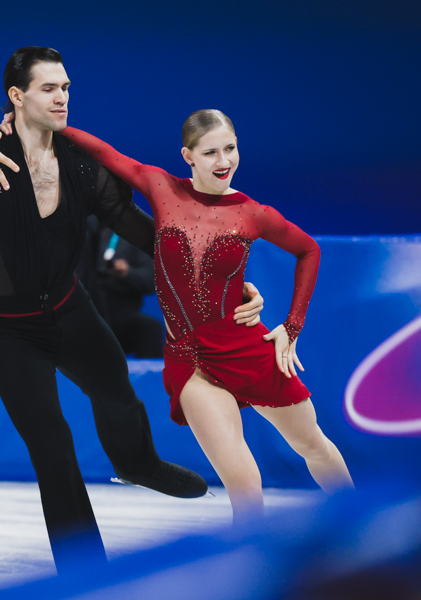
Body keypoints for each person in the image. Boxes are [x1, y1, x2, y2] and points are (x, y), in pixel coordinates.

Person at [0, 47, 264, 571]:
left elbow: (145, 233)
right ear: (17, 96)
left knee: (117, 392)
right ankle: (85, 574)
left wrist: (222, 279)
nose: (61, 98)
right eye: (48, 89)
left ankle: (139, 464)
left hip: (69, 310)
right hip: (9, 331)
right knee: (52, 447)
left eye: (65, 88)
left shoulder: (82, 167)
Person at [49, 109, 354, 522]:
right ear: (188, 156)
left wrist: (292, 326)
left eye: (230, 149)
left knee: (312, 445)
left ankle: (361, 526)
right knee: (242, 480)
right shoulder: (160, 186)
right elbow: (104, 152)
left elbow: (308, 250)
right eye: (211, 152)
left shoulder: (253, 212)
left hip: (246, 348)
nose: (223, 161)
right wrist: (44, 122)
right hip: (189, 359)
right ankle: (251, 555)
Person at [78, 214, 165, 358]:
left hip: (120, 310)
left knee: (150, 328)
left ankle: (149, 373)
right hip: (85, 308)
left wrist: (127, 273)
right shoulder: (82, 230)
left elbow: (150, 279)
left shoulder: (136, 236)